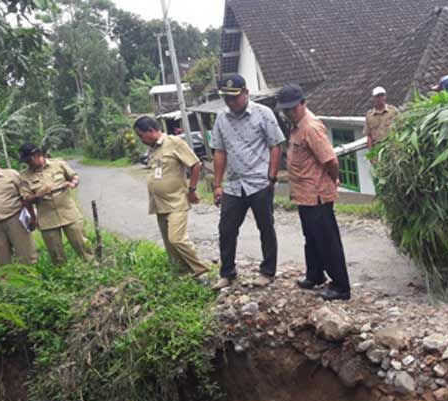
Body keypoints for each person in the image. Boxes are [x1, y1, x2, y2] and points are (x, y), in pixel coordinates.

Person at [210, 74, 286, 290]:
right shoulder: (221, 118)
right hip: (234, 184)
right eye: (226, 98)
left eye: (234, 97)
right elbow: (219, 151)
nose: (231, 102)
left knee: (265, 227)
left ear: (246, 93)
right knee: (226, 229)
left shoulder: (264, 114)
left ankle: (267, 271)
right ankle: (227, 273)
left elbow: (276, 145)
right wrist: (217, 185)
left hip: (259, 181)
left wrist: (272, 176)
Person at [276, 84, 351, 301]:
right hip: (304, 195)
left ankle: (341, 286)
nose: (289, 113)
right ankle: (315, 275)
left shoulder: (310, 127)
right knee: (311, 238)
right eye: (286, 110)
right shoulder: (296, 126)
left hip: (317, 195)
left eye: (292, 108)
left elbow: (330, 160)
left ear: (302, 103)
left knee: (327, 241)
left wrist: (333, 179)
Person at [133, 116, 210, 277]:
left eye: (141, 135)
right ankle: (181, 273)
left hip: (176, 201)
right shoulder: (153, 149)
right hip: (159, 204)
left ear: (151, 131)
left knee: (177, 239)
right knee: (169, 245)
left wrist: (192, 189)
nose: (141, 139)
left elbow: (195, 164)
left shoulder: (174, 143)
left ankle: (201, 270)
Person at [19, 143, 92, 265]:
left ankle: (93, 267)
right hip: (47, 219)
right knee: (56, 253)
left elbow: (74, 177)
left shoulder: (59, 164)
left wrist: (73, 183)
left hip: (69, 213)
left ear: (37, 155)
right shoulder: (25, 176)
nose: (28, 163)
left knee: (82, 244)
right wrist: (38, 195)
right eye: (25, 161)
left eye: (29, 159)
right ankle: (62, 275)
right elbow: (26, 199)